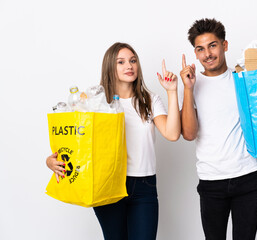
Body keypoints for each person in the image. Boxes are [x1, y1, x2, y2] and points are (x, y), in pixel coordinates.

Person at [179, 18, 257, 240]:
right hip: (211, 180)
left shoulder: (244, 78)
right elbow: (189, 134)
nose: (207, 54)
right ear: (195, 53)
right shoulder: (191, 84)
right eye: (200, 49)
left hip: (247, 177)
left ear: (225, 45)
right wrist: (188, 89)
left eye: (212, 45)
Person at [46, 42, 181, 240]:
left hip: (144, 186)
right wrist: (50, 161)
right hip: (107, 183)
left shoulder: (149, 100)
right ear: (110, 66)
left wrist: (171, 91)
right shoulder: (95, 103)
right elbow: (75, 143)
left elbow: (172, 134)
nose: (129, 66)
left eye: (133, 61)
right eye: (121, 62)